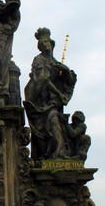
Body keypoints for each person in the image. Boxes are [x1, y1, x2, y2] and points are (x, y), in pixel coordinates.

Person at [24, 27, 76, 161]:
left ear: (51, 44)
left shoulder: (56, 63)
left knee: (55, 122)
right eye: (41, 44)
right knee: (48, 124)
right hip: (39, 101)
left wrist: (66, 71)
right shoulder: (38, 60)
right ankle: (55, 154)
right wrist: (59, 95)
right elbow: (43, 80)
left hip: (52, 102)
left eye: (46, 42)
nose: (44, 45)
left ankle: (57, 153)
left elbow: (69, 81)